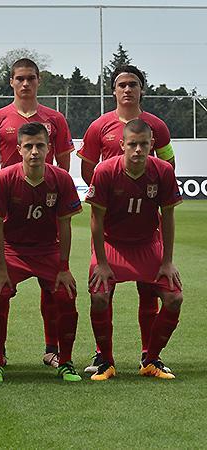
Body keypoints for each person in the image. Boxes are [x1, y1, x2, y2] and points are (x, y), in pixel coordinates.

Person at [77, 65, 177, 374]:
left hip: (145, 223)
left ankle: (149, 354)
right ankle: (102, 355)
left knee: (150, 292)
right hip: (112, 223)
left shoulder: (157, 126)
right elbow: (89, 169)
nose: (128, 89)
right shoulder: (99, 126)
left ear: (141, 89)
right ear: (114, 90)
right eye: (122, 84)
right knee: (103, 291)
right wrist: (110, 192)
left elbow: (169, 162)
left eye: (133, 84)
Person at [0, 58, 75, 368]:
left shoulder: (55, 118)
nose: (25, 83)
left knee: (54, 290)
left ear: (38, 81)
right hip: (11, 213)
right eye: (19, 78)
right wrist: (2, 185)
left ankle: (52, 349)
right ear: (11, 81)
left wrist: (52, 191)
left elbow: (64, 162)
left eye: (30, 78)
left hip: (45, 209)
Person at [0, 122, 82, 383]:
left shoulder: (61, 179)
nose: (35, 152)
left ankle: (65, 361)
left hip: (48, 249)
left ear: (49, 148)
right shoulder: (4, 178)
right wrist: (1, 269)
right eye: (28, 146)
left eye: (40, 145)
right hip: (12, 250)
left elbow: (65, 225)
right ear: (19, 149)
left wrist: (64, 267)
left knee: (65, 295)